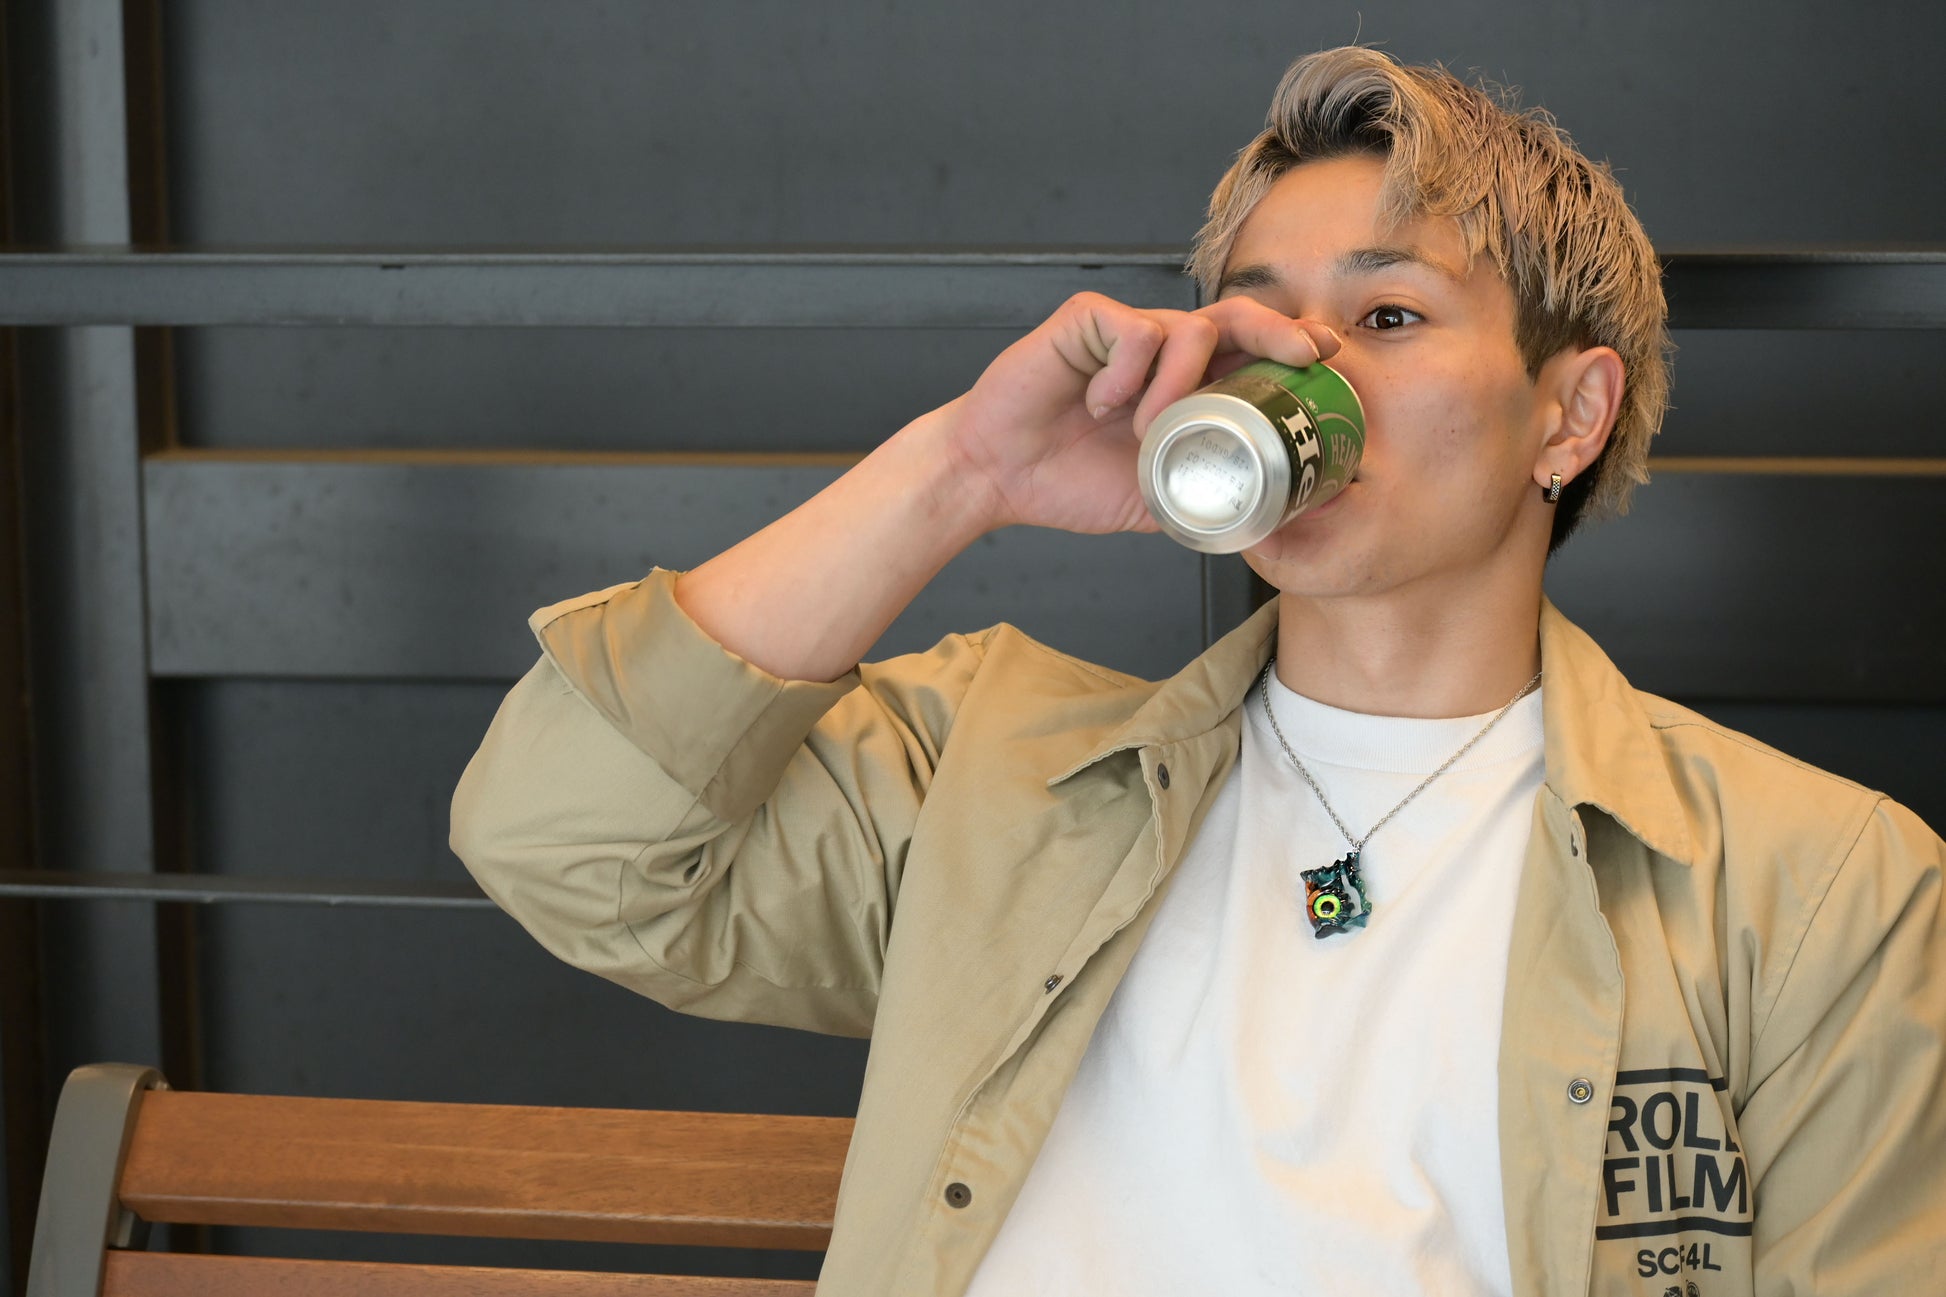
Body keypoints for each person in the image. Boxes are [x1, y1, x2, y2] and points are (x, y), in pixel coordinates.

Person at [450, 46, 1946, 1296]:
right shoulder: (992, 772)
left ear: (1569, 414)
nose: (1305, 374)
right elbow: (557, 836)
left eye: (1388, 315)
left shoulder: (1813, 887)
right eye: (1264, 324)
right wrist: (962, 471)